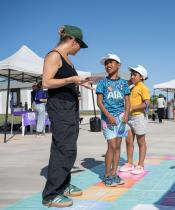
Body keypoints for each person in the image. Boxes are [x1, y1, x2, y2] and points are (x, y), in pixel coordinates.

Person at [42, 25, 90, 208]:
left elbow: (64, 81)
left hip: (69, 107)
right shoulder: (54, 55)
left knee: (69, 147)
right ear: (73, 41)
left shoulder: (67, 60)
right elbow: (46, 82)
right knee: (63, 148)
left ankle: (63, 184)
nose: (80, 49)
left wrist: (79, 82)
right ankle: (51, 194)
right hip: (60, 107)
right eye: (80, 46)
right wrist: (71, 80)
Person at [96, 54, 130, 186]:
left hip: (121, 119)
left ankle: (114, 174)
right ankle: (107, 175)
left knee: (118, 147)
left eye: (111, 62)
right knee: (112, 146)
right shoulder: (102, 83)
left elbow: (127, 101)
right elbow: (99, 102)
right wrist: (108, 115)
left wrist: (126, 115)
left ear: (118, 65)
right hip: (107, 119)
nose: (108, 65)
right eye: (106, 63)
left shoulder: (124, 83)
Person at [120, 65, 150, 175]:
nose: (132, 76)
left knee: (140, 141)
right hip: (129, 117)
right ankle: (129, 163)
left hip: (139, 117)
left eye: (135, 75)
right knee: (128, 141)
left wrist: (132, 108)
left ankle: (140, 164)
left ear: (142, 77)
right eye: (131, 74)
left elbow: (146, 104)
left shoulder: (143, 87)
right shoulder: (132, 87)